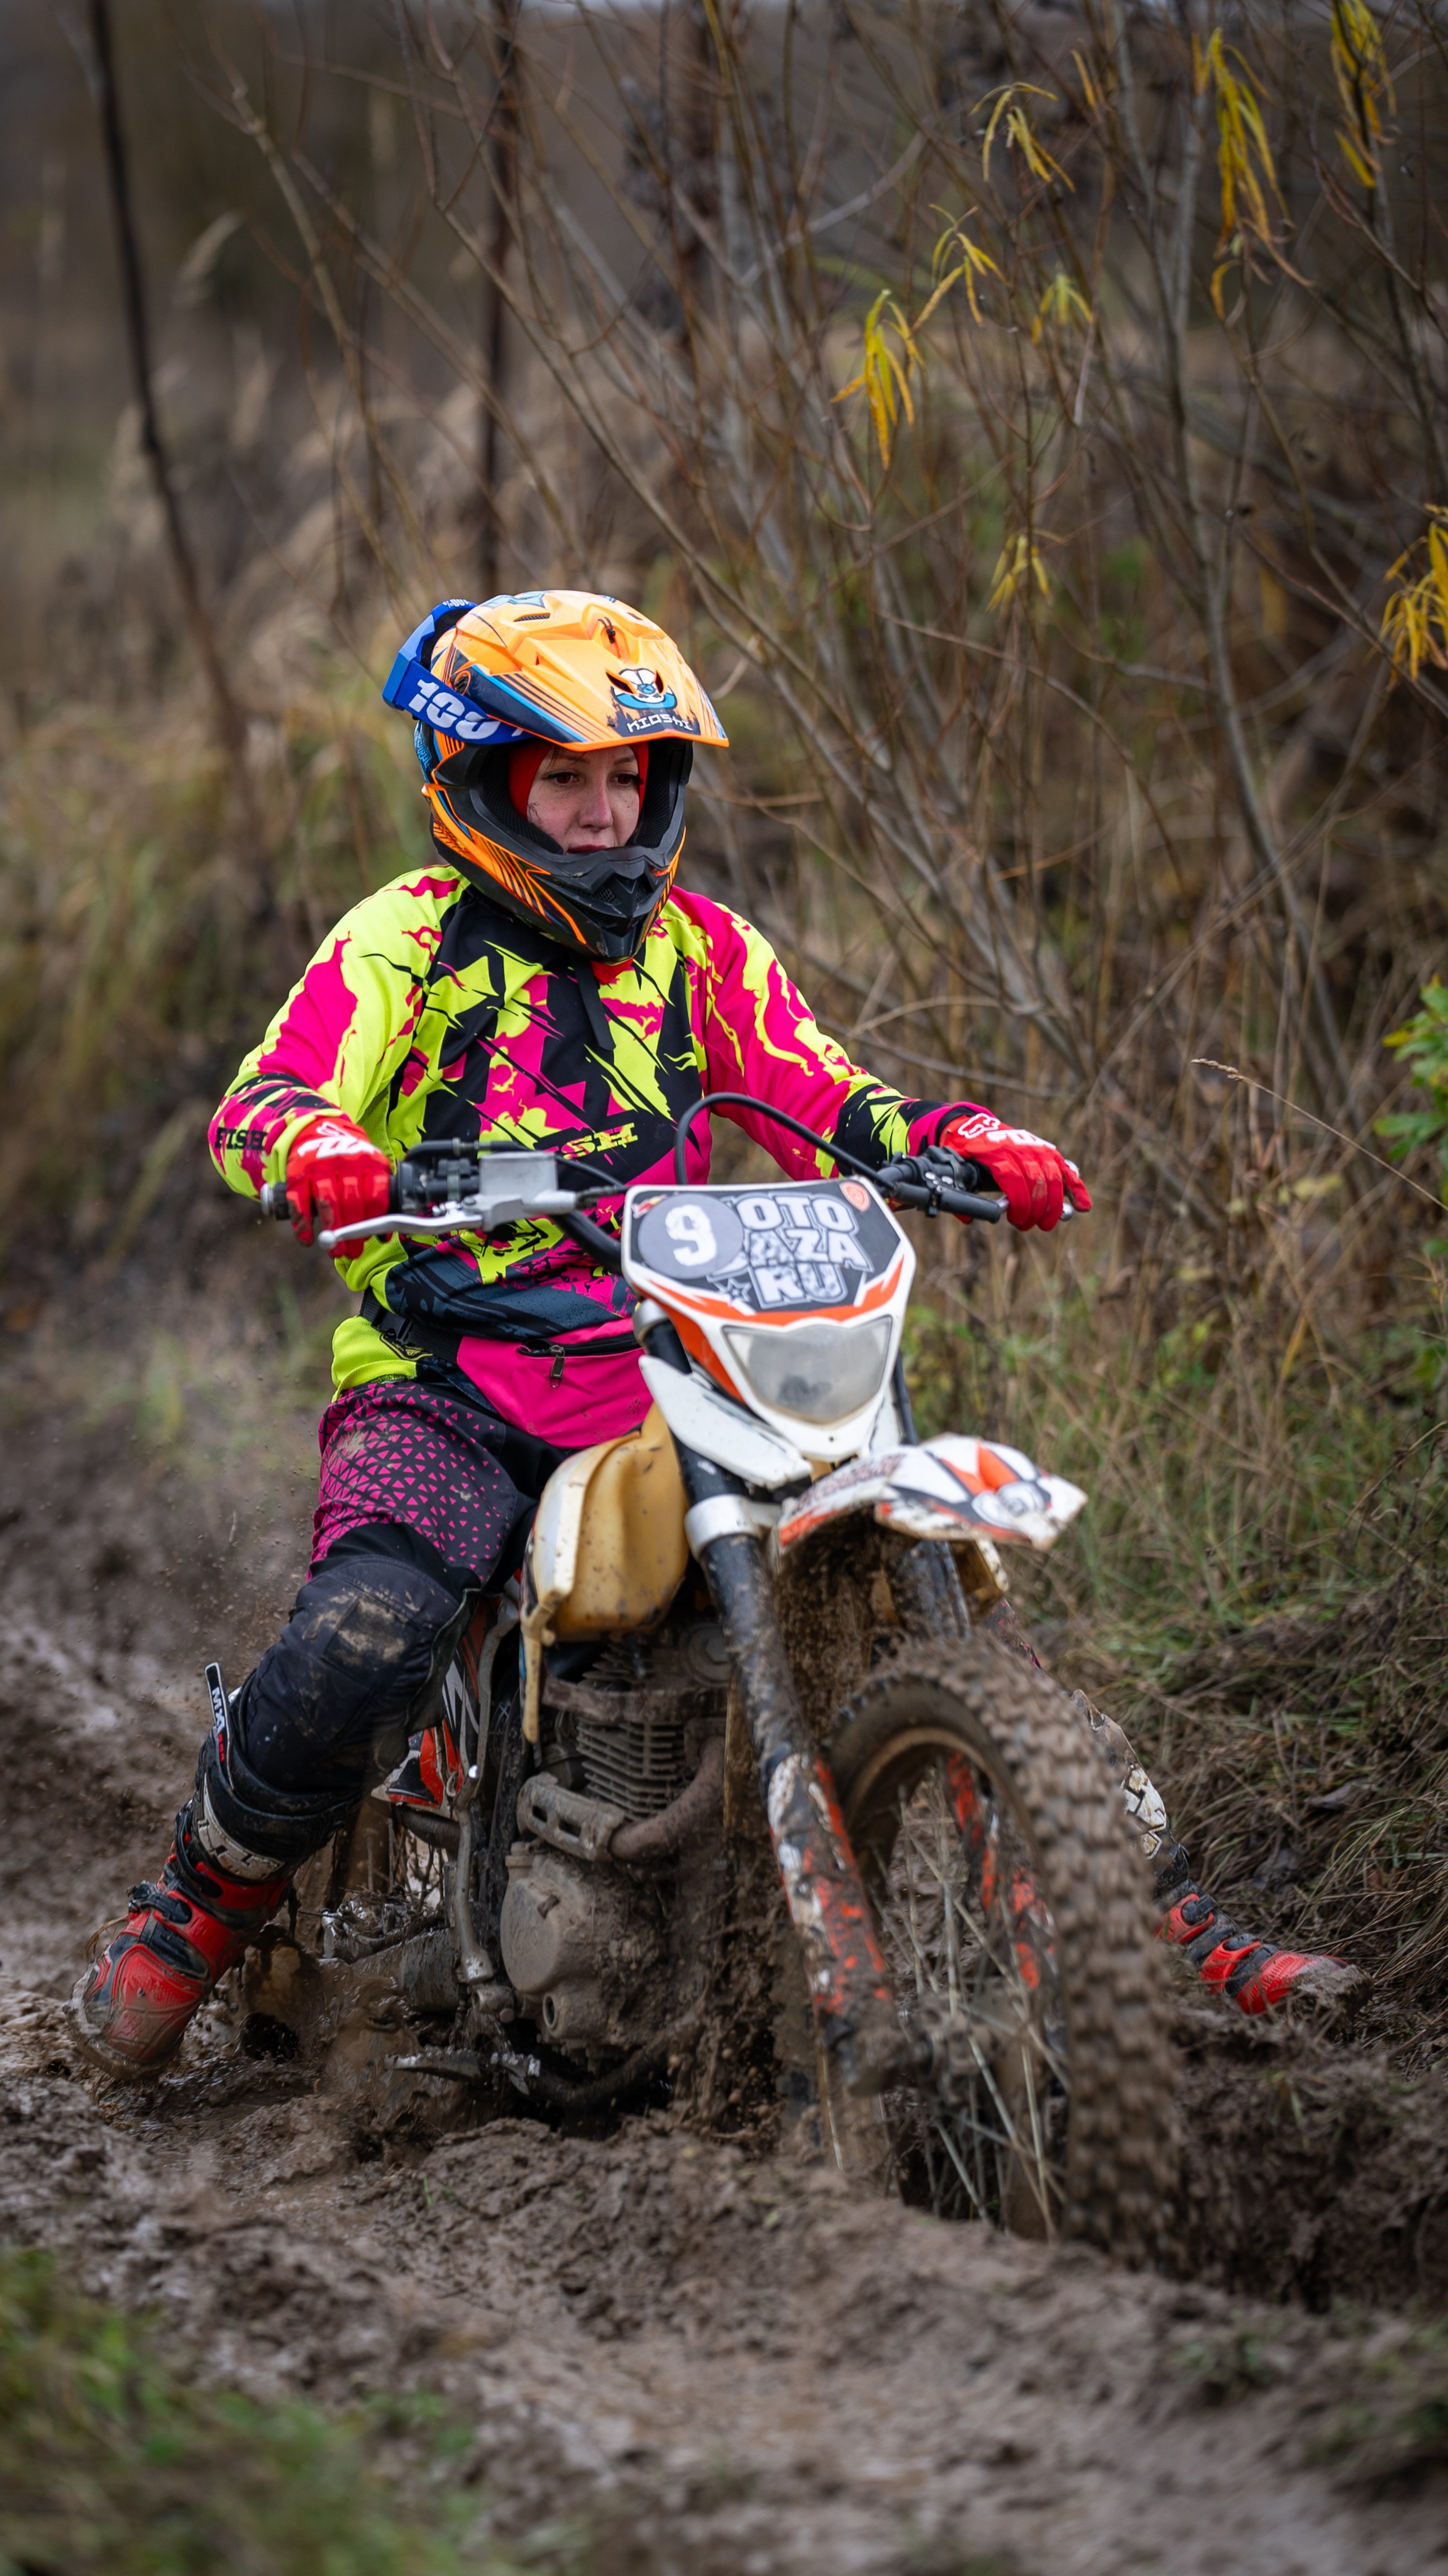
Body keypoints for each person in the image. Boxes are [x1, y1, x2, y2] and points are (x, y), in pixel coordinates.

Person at [72, 590, 1356, 2080]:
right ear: (483, 785)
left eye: (630, 777)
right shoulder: (404, 943)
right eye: (567, 779)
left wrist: (964, 1135)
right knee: (371, 1627)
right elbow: (264, 1098)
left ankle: (1174, 1924)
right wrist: (317, 1147)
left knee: (946, 1594)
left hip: (675, 1365)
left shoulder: (704, 951)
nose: (605, 812)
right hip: (452, 1375)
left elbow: (835, 1099)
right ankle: (193, 1908)